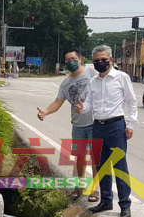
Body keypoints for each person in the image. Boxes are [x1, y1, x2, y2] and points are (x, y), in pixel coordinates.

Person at [75, 45, 137, 217]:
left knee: (119, 167)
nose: (100, 63)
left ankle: (125, 204)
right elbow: (89, 104)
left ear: (111, 60)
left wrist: (130, 124)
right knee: (101, 167)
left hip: (116, 126)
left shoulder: (121, 78)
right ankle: (106, 200)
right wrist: (82, 108)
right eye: (96, 61)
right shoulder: (93, 81)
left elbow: (132, 103)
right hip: (98, 126)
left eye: (104, 60)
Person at [37, 48, 99, 202]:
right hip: (78, 125)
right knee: (79, 158)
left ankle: (95, 189)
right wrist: (45, 111)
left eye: (73, 58)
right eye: (67, 60)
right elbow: (58, 102)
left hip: (95, 122)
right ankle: (79, 186)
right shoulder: (66, 83)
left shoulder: (92, 72)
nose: (71, 62)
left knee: (95, 158)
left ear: (80, 58)